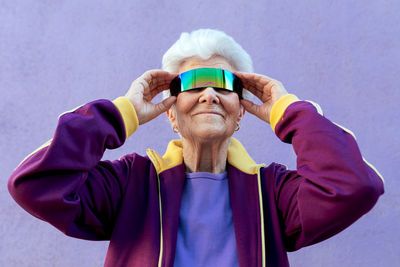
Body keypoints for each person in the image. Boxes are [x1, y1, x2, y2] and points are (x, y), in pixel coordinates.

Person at [8, 29, 384, 267]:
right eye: (192, 84)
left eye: (224, 84)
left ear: (240, 114)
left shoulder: (272, 193)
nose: (209, 94)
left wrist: (289, 111)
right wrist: (122, 113)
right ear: (171, 113)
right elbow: (36, 185)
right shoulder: (130, 184)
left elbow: (353, 186)